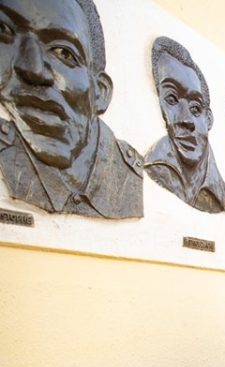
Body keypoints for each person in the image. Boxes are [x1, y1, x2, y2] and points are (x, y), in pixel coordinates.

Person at [0, 0, 142, 219]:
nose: (34, 69)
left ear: (100, 93)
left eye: (63, 53)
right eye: (4, 31)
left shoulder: (130, 176)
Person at [145, 36, 225, 213]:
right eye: (171, 99)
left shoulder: (222, 195)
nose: (186, 120)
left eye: (195, 108)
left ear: (209, 119)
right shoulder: (154, 167)